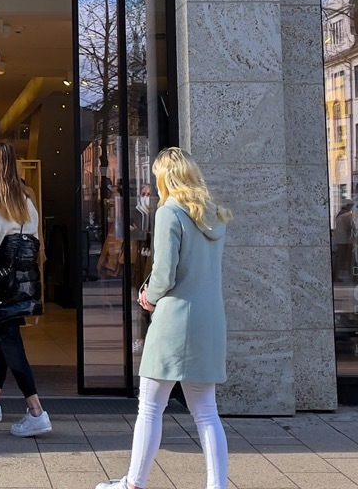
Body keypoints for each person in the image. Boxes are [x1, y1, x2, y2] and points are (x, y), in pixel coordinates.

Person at [97, 147, 231, 489]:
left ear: (165, 178)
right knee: (207, 411)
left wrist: (148, 296)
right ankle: (216, 486)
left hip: (175, 320)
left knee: (150, 407)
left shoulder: (170, 212)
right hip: (209, 320)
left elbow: (164, 272)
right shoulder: (213, 214)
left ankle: (133, 483)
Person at [0, 142, 52, 437]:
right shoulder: (27, 200)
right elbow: (35, 241)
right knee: (2, 336)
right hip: (22, 281)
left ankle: (36, 410)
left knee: (8, 339)